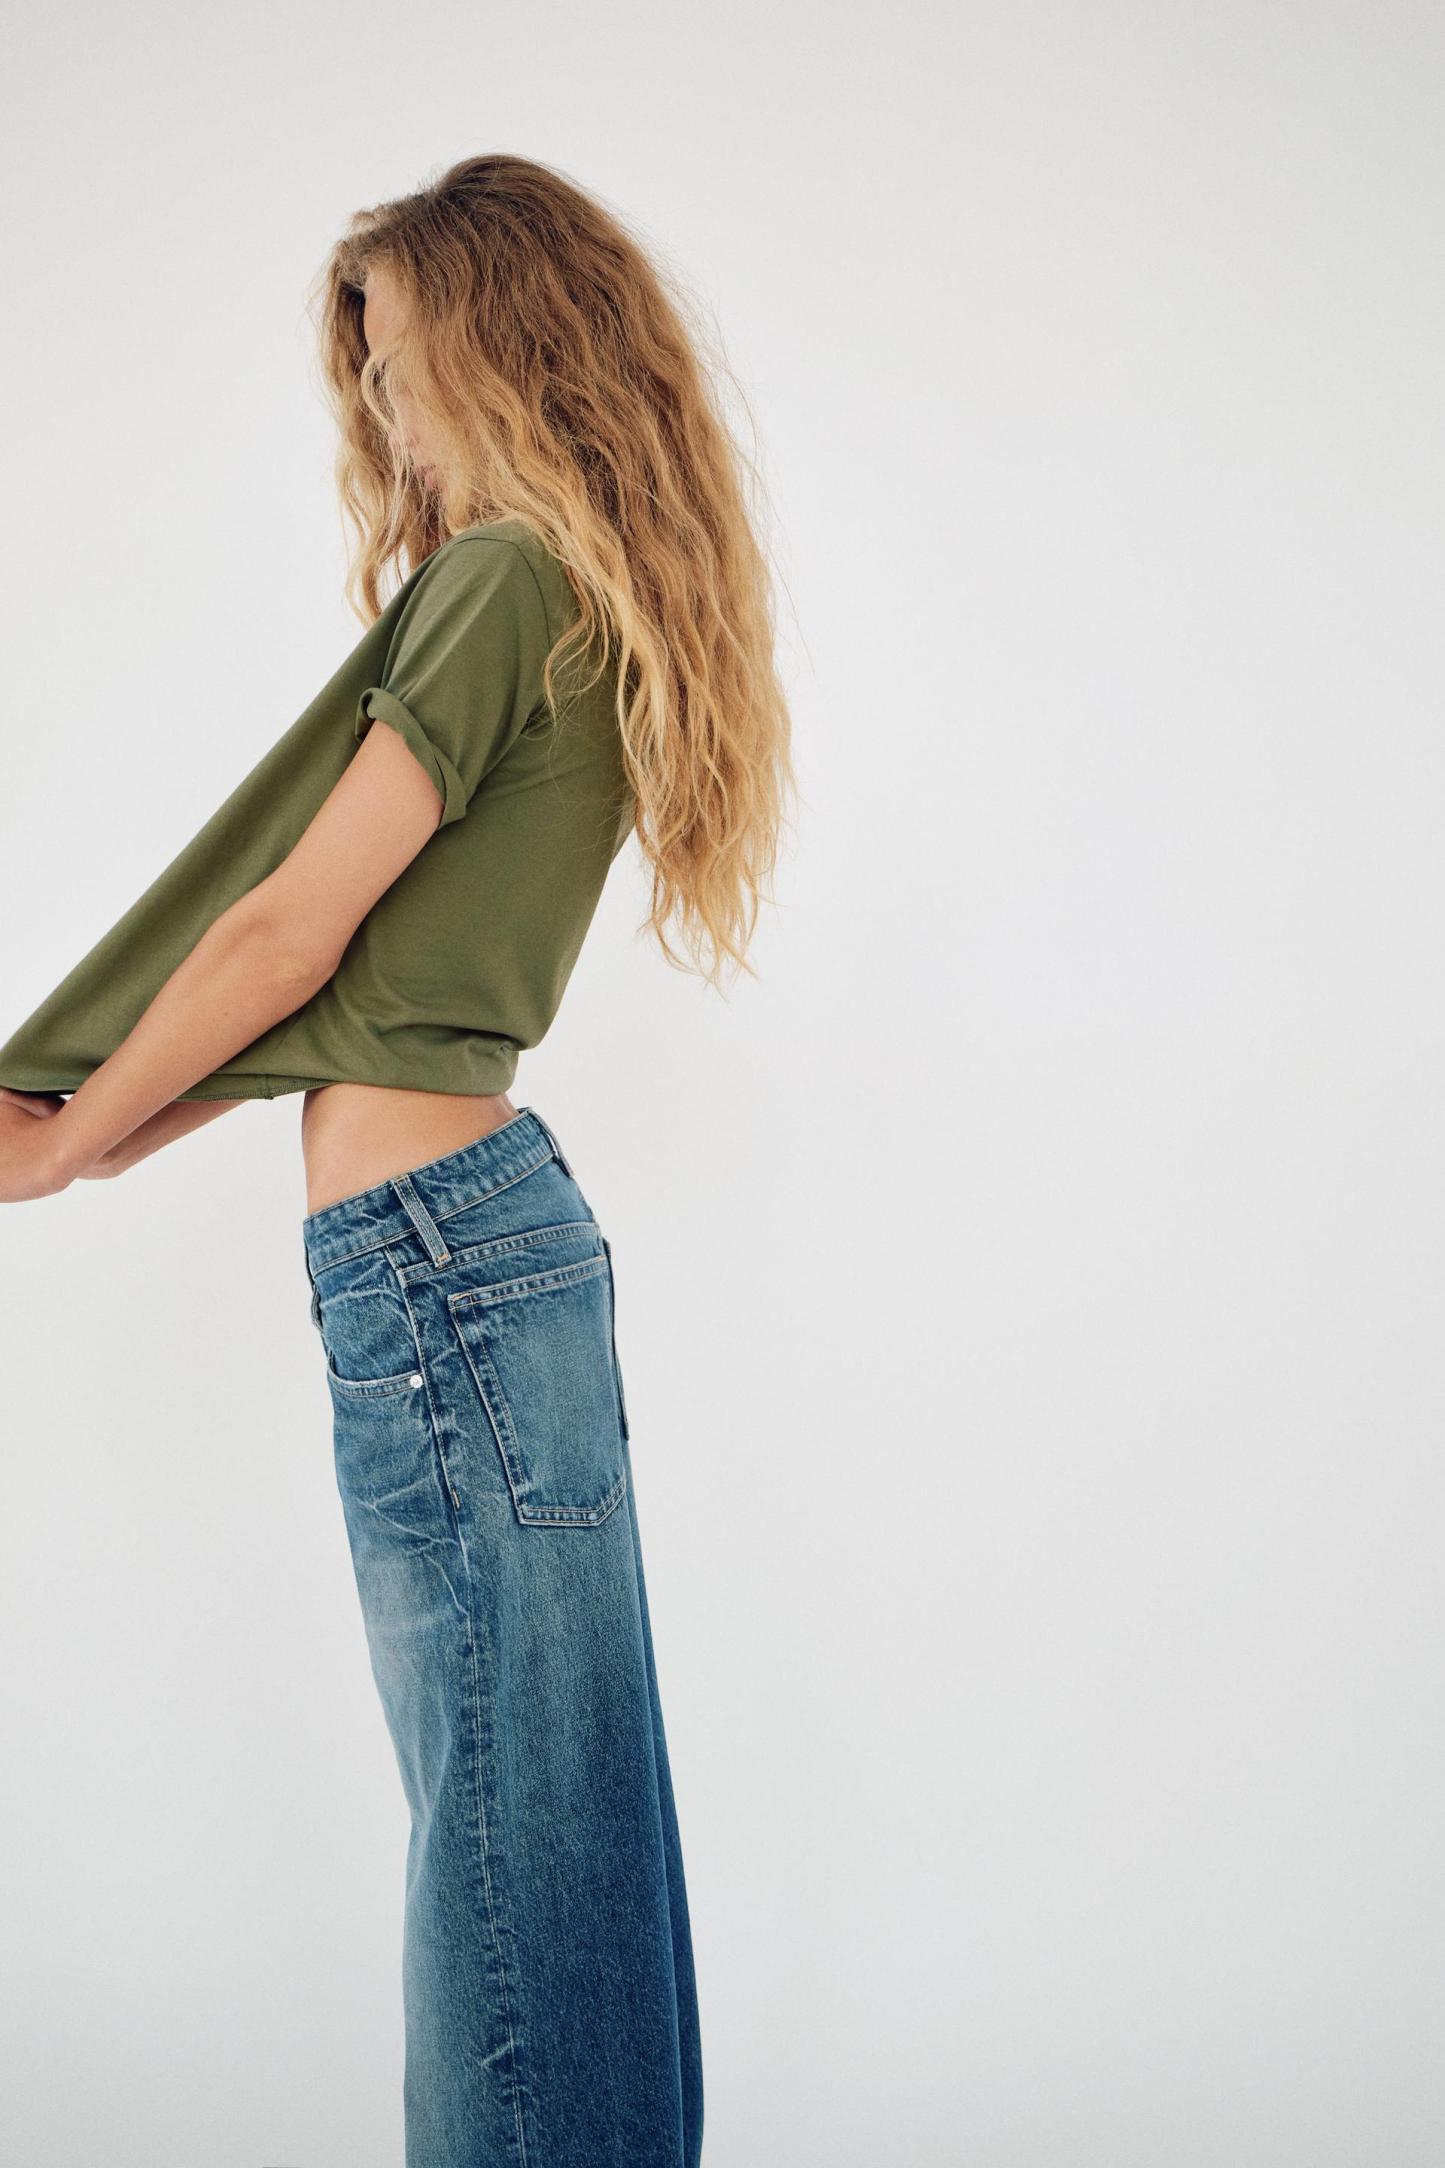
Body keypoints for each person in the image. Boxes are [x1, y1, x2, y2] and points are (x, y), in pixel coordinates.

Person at [0, 153, 794, 2168]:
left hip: (438, 1266)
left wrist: (68, 1143)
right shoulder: (587, 596)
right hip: (493, 1245)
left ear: (499, 343)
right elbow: (348, 1001)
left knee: (509, 1868)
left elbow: (290, 935)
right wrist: (106, 1132)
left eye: (400, 355)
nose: (384, 409)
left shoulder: (503, 581)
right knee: (567, 1837)